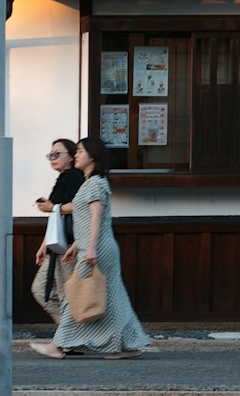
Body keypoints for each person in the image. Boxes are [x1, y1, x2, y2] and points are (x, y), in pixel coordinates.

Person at [30, 135, 152, 360]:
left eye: (79, 151)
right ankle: (130, 346)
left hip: (97, 250)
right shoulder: (90, 183)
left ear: (92, 156)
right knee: (115, 299)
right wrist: (77, 246)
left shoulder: (96, 183)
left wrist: (91, 249)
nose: (76, 155)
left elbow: (97, 219)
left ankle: (61, 345)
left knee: (75, 293)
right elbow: (85, 219)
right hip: (91, 247)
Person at [32, 138, 80, 320]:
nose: (53, 157)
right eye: (50, 155)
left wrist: (52, 206)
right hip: (58, 245)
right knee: (42, 290)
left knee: (64, 294)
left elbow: (79, 207)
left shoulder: (74, 177)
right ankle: (70, 336)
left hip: (68, 246)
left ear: (71, 157)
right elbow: (57, 215)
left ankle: (70, 340)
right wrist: (44, 245)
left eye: (57, 154)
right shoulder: (63, 178)